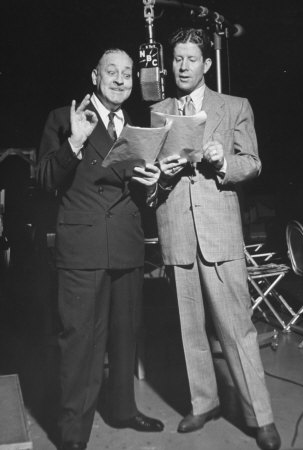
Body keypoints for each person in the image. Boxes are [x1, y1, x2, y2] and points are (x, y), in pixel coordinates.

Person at [151, 28, 281, 450]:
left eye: (191, 59)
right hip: (178, 232)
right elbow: (148, 178)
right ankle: (204, 402)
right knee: (190, 330)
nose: (183, 66)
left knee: (237, 329)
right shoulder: (159, 111)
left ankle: (259, 416)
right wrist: (160, 174)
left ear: (207, 64)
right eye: (177, 59)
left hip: (220, 234)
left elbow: (254, 163)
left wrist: (225, 162)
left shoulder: (235, 106)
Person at [36, 47, 164, 450]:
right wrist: (73, 142)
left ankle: (123, 410)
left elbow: (144, 197)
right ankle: (73, 434)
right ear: (95, 76)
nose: (121, 79)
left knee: (126, 335)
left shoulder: (140, 128)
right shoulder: (62, 119)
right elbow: (43, 180)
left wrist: (155, 180)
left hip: (126, 247)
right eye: (112, 71)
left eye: (128, 73)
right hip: (82, 248)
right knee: (80, 345)